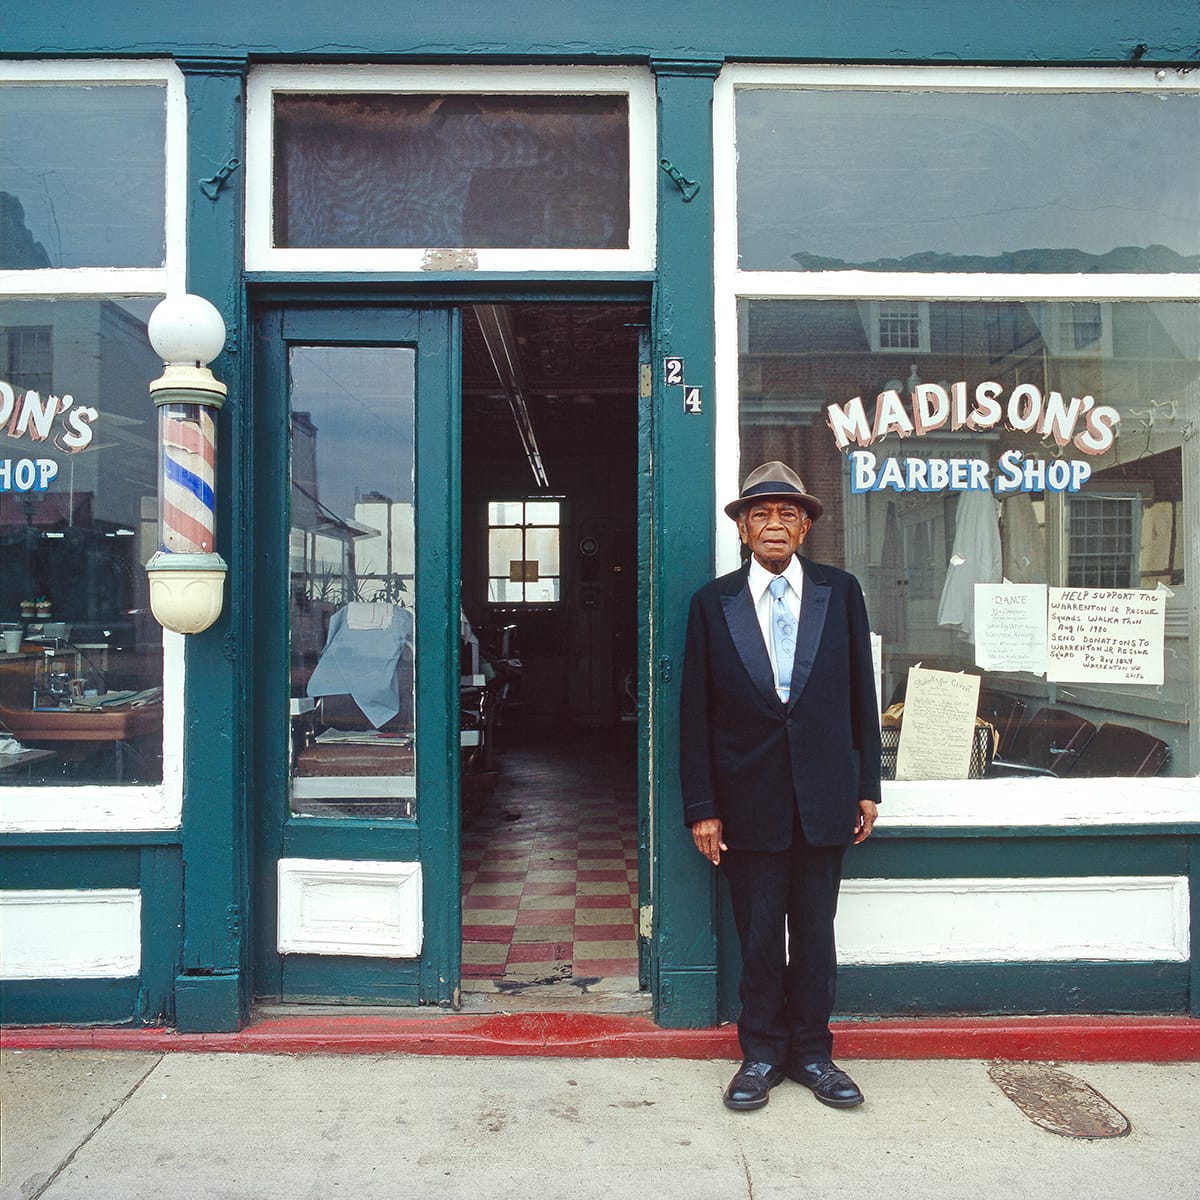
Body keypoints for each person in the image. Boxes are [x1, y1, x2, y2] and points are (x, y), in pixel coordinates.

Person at [679, 461, 881, 1112]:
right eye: (759, 514)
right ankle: (761, 1054)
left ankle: (814, 1055)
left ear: (805, 528)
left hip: (825, 797)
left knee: (816, 933)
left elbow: (861, 698)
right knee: (761, 933)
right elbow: (695, 714)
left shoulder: (841, 593)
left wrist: (867, 787)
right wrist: (703, 807)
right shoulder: (713, 605)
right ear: (741, 528)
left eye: (787, 513)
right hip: (747, 801)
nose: (773, 524)